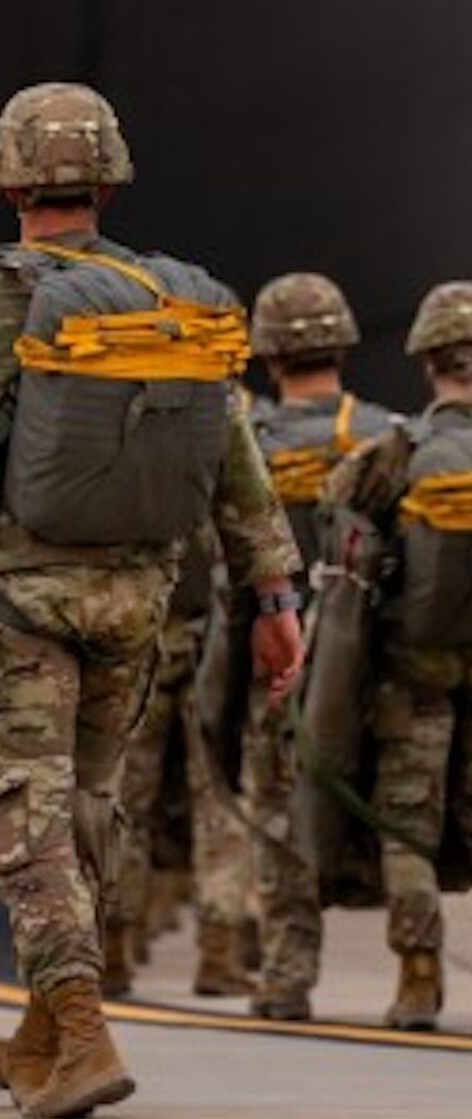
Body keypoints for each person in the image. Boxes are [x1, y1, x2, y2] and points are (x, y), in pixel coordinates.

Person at [0, 82, 304, 1118]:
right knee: (88, 807)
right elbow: (235, 462)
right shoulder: (175, 302)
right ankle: (38, 1037)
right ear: (108, 183)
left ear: (9, 183)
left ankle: (84, 1030)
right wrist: (273, 594)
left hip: (20, 606)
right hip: (138, 603)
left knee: (22, 815)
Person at [244, 272, 395, 1020]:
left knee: (278, 811)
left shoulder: (251, 443)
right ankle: (418, 965)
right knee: (395, 799)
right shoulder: (390, 437)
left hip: (276, 657)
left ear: (269, 354)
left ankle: (286, 974)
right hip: (371, 662)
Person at [322, 281, 472, 1031]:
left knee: (406, 820)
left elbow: (337, 516)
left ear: (427, 362)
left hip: (414, 675)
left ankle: (418, 975)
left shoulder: (397, 452)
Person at [107, 526, 254, 999]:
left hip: (139, 640)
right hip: (214, 645)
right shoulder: (219, 477)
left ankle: (113, 948)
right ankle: (218, 952)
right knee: (219, 802)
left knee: (125, 802)